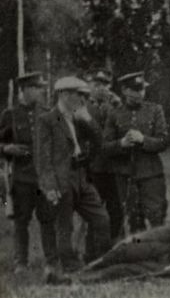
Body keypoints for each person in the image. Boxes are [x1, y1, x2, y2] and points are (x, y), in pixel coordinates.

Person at [33, 76, 111, 274]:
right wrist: (49, 187)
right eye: (79, 95)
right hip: (61, 180)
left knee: (101, 219)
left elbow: (100, 142)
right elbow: (43, 158)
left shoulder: (80, 118)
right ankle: (70, 266)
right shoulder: (47, 120)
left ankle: (98, 260)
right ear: (64, 95)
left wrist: (88, 120)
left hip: (81, 177)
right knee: (64, 227)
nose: (83, 99)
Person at [0, 72, 58, 279]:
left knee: (48, 220)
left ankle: (51, 262)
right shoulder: (10, 115)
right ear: (24, 90)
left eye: (41, 87)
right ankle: (20, 263)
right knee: (21, 222)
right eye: (36, 88)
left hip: (44, 179)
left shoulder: (48, 112)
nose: (41, 91)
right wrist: (8, 148)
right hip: (21, 178)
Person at [102, 72, 168, 235]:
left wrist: (143, 139)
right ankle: (139, 256)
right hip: (126, 176)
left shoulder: (155, 110)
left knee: (157, 217)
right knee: (133, 219)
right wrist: (121, 144)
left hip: (151, 174)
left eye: (142, 89)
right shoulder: (114, 113)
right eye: (136, 89)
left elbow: (163, 141)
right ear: (125, 91)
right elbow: (105, 147)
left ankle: (159, 255)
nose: (141, 93)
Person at [85, 68, 124, 244]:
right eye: (97, 84)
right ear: (90, 86)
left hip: (114, 165)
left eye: (106, 84)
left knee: (116, 207)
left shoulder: (116, 106)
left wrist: (119, 106)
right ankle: (92, 247)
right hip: (92, 166)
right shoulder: (82, 106)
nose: (102, 88)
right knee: (93, 209)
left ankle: (114, 244)